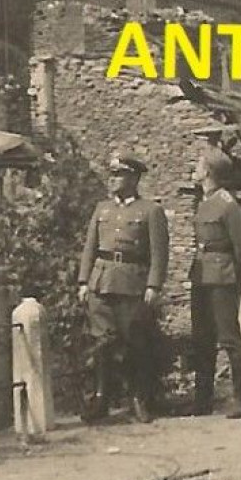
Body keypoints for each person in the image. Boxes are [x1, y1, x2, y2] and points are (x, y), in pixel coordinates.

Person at [77, 153, 169, 424]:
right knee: (102, 343)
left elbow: (159, 253)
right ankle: (101, 397)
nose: (113, 179)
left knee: (134, 343)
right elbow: (89, 248)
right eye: (112, 174)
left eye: (119, 175)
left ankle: (140, 398)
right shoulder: (102, 209)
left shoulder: (150, 211)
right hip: (101, 282)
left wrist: (154, 285)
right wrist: (83, 281)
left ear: (133, 178)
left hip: (133, 284)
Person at [188, 146, 241, 419]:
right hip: (201, 278)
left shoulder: (229, 205)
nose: (194, 168)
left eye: (198, 164)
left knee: (229, 338)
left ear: (209, 171)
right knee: (202, 339)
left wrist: (237, 279)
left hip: (222, 279)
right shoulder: (203, 202)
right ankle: (202, 400)